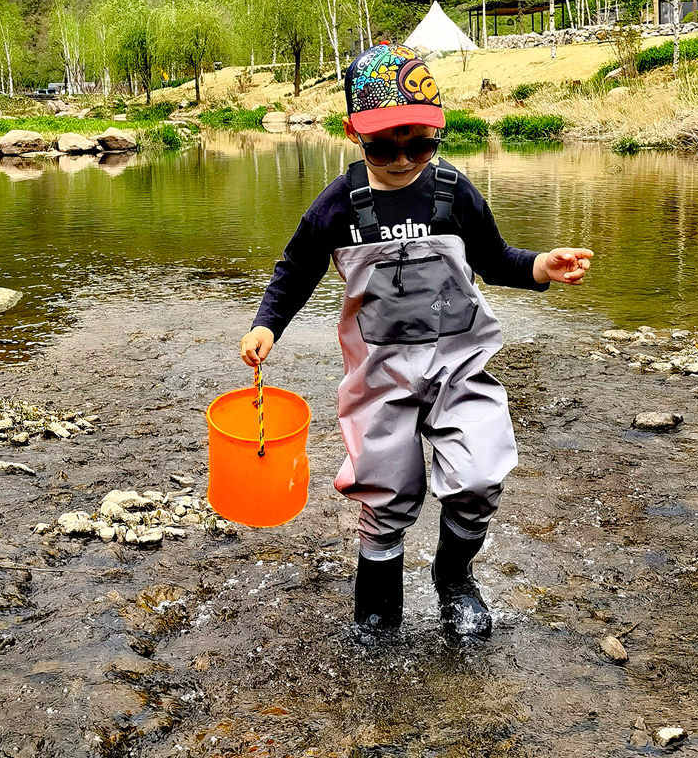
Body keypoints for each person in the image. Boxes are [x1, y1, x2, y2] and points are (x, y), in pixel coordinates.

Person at [241, 42, 593, 640]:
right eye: (384, 146)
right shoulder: (336, 207)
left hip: (461, 364)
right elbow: (295, 269)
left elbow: (495, 259)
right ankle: (379, 611)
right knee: (385, 491)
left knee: (480, 475)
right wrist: (265, 325)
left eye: (420, 145)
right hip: (379, 375)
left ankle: (454, 580)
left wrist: (540, 267)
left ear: (437, 136)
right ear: (354, 132)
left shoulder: (454, 193)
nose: (403, 159)